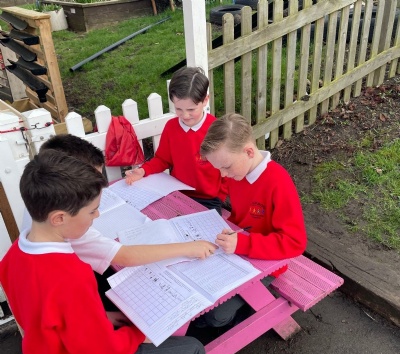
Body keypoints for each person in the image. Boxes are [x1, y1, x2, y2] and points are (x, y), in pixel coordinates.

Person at [0, 150, 205, 354]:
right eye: (91, 211)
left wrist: (104, 317)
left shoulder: (13, 255)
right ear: (59, 218)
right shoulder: (70, 275)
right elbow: (101, 351)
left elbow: (47, 315)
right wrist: (139, 334)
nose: (97, 216)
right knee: (193, 352)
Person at [37, 134, 217, 325]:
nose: (99, 190)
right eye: (92, 185)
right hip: (84, 315)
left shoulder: (44, 205)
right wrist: (188, 247)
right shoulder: (70, 229)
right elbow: (126, 256)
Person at [196, 113, 307, 328]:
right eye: (218, 168)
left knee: (215, 317)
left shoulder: (278, 182)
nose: (223, 175)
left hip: (268, 263)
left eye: (226, 167)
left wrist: (244, 244)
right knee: (200, 302)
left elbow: (295, 243)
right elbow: (241, 218)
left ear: (248, 152)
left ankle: (253, 313)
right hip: (236, 252)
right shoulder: (238, 172)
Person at [125, 66, 227, 214]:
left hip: (209, 199)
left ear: (205, 100)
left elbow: (227, 166)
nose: (185, 115)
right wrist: (143, 170)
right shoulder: (171, 127)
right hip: (177, 193)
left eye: (191, 109)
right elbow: (162, 159)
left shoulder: (216, 129)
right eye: (178, 109)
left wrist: (221, 196)